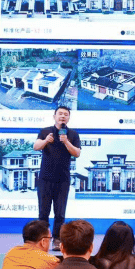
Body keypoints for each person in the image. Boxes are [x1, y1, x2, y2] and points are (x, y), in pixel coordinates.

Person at [34, 105, 81, 249]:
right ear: (54, 116)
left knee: (60, 213)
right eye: (60, 114)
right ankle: (42, 239)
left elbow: (77, 153)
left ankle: (57, 239)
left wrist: (66, 141)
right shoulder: (45, 131)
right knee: (43, 212)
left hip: (63, 180)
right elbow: (36, 146)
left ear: (69, 118)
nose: (63, 116)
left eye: (66, 114)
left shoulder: (73, 134)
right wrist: (46, 141)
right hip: (45, 179)